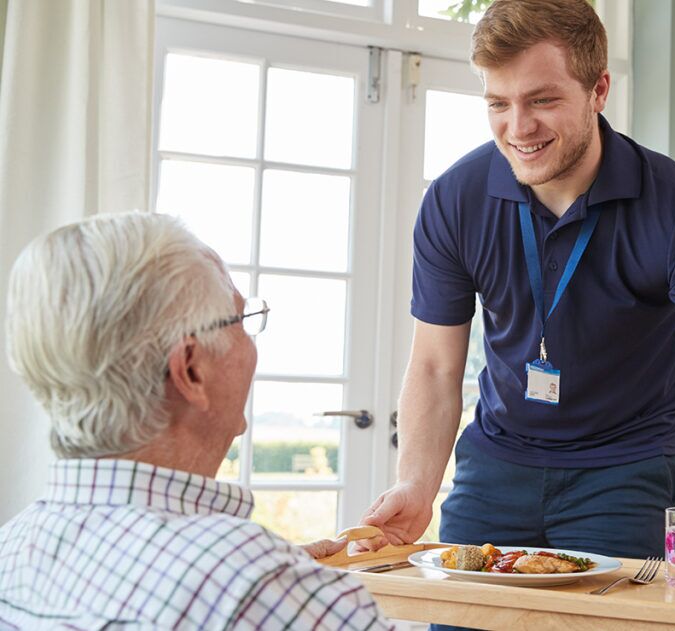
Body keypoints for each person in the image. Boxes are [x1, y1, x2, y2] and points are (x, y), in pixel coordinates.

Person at [362, 0, 675, 629]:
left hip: (624, 470)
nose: (518, 127)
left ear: (599, 89)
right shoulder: (454, 201)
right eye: (498, 103)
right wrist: (415, 484)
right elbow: (434, 368)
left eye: (542, 100)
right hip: (496, 464)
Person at [0, 213, 392, 630]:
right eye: (241, 320)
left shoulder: (13, 548)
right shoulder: (257, 587)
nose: (251, 343)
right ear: (190, 369)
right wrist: (288, 588)